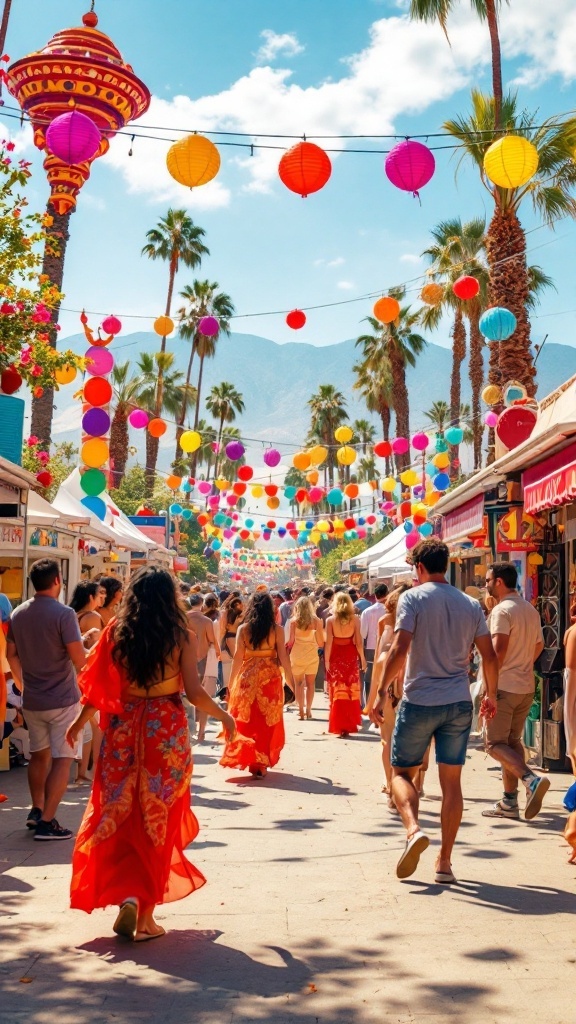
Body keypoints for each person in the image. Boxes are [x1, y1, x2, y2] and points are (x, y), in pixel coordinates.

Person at [65, 567, 235, 941]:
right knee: (159, 814)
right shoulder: (179, 636)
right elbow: (194, 692)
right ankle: (144, 915)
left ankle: (127, 893)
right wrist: (224, 715)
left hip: (123, 729)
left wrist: (79, 724)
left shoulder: (117, 633)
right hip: (165, 732)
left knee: (119, 811)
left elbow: (97, 686)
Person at [371, 539, 498, 883]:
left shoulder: (413, 598)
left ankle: (413, 830)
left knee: (400, 774)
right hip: (457, 701)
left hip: (420, 700)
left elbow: (399, 648)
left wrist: (381, 691)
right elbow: (489, 655)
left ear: (420, 568)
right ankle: (444, 862)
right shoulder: (471, 604)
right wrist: (491, 694)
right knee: (452, 783)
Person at [6, 558, 86, 840]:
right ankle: (48, 821)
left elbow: (10, 655)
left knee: (39, 756)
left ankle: (36, 809)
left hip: (33, 700)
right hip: (63, 698)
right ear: (57, 581)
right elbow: (79, 659)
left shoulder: (19, 613)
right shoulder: (64, 614)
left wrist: (22, 683)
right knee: (63, 758)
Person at [481, 562, 547, 821]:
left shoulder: (502, 611)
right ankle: (509, 802)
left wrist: (490, 690)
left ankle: (531, 780)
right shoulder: (529, 609)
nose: (486, 584)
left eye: (488, 580)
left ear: (499, 581)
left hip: (504, 687)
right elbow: (539, 645)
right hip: (525, 685)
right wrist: (523, 665)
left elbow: (497, 653)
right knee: (511, 743)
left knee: (494, 744)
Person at [220, 591, 295, 778]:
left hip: (247, 677)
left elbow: (238, 658)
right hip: (270, 678)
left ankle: (249, 757)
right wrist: (290, 681)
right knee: (266, 721)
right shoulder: (276, 629)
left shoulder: (243, 629)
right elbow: (283, 657)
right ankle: (260, 762)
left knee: (247, 718)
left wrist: (230, 686)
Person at [365, 585, 410, 803]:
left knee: (387, 739)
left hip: (387, 681)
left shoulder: (385, 622)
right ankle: (405, 783)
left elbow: (377, 663)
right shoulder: (417, 622)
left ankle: (392, 784)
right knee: (407, 740)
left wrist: (373, 696)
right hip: (407, 683)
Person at [325, 592, 366, 737]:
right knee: (350, 689)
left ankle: (339, 724)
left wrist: (327, 661)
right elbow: (359, 643)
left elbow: (328, 643)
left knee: (337, 689)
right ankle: (349, 723)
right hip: (350, 654)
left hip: (336, 655)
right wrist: (362, 659)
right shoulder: (355, 619)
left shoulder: (330, 620)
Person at [287, 596, 324, 720]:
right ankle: (308, 709)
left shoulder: (293, 622)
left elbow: (291, 641)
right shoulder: (316, 621)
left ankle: (301, 710)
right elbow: (320, 643)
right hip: (311, 654)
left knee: (298, 684)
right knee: (310, 684)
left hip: (297, 654)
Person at [360, 583, 389, 705]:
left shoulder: (367, 612)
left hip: (371, 647)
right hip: (388, 647)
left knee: (370, 677)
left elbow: (363, 633)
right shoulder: (391, 611)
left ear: (375, 595)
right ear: (386, 594)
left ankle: (369, 703)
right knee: (385, 676)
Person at [70, 581, 104, 650]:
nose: (101, 598)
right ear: (91, 597)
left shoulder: (74, 614)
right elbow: (94, 645)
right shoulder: (91, 617)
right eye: (99, 596)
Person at [219, 594, 244, 689]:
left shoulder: (231, 614)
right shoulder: (230, 638)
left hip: (231, 639)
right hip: (231, 638)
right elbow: (237, 657)